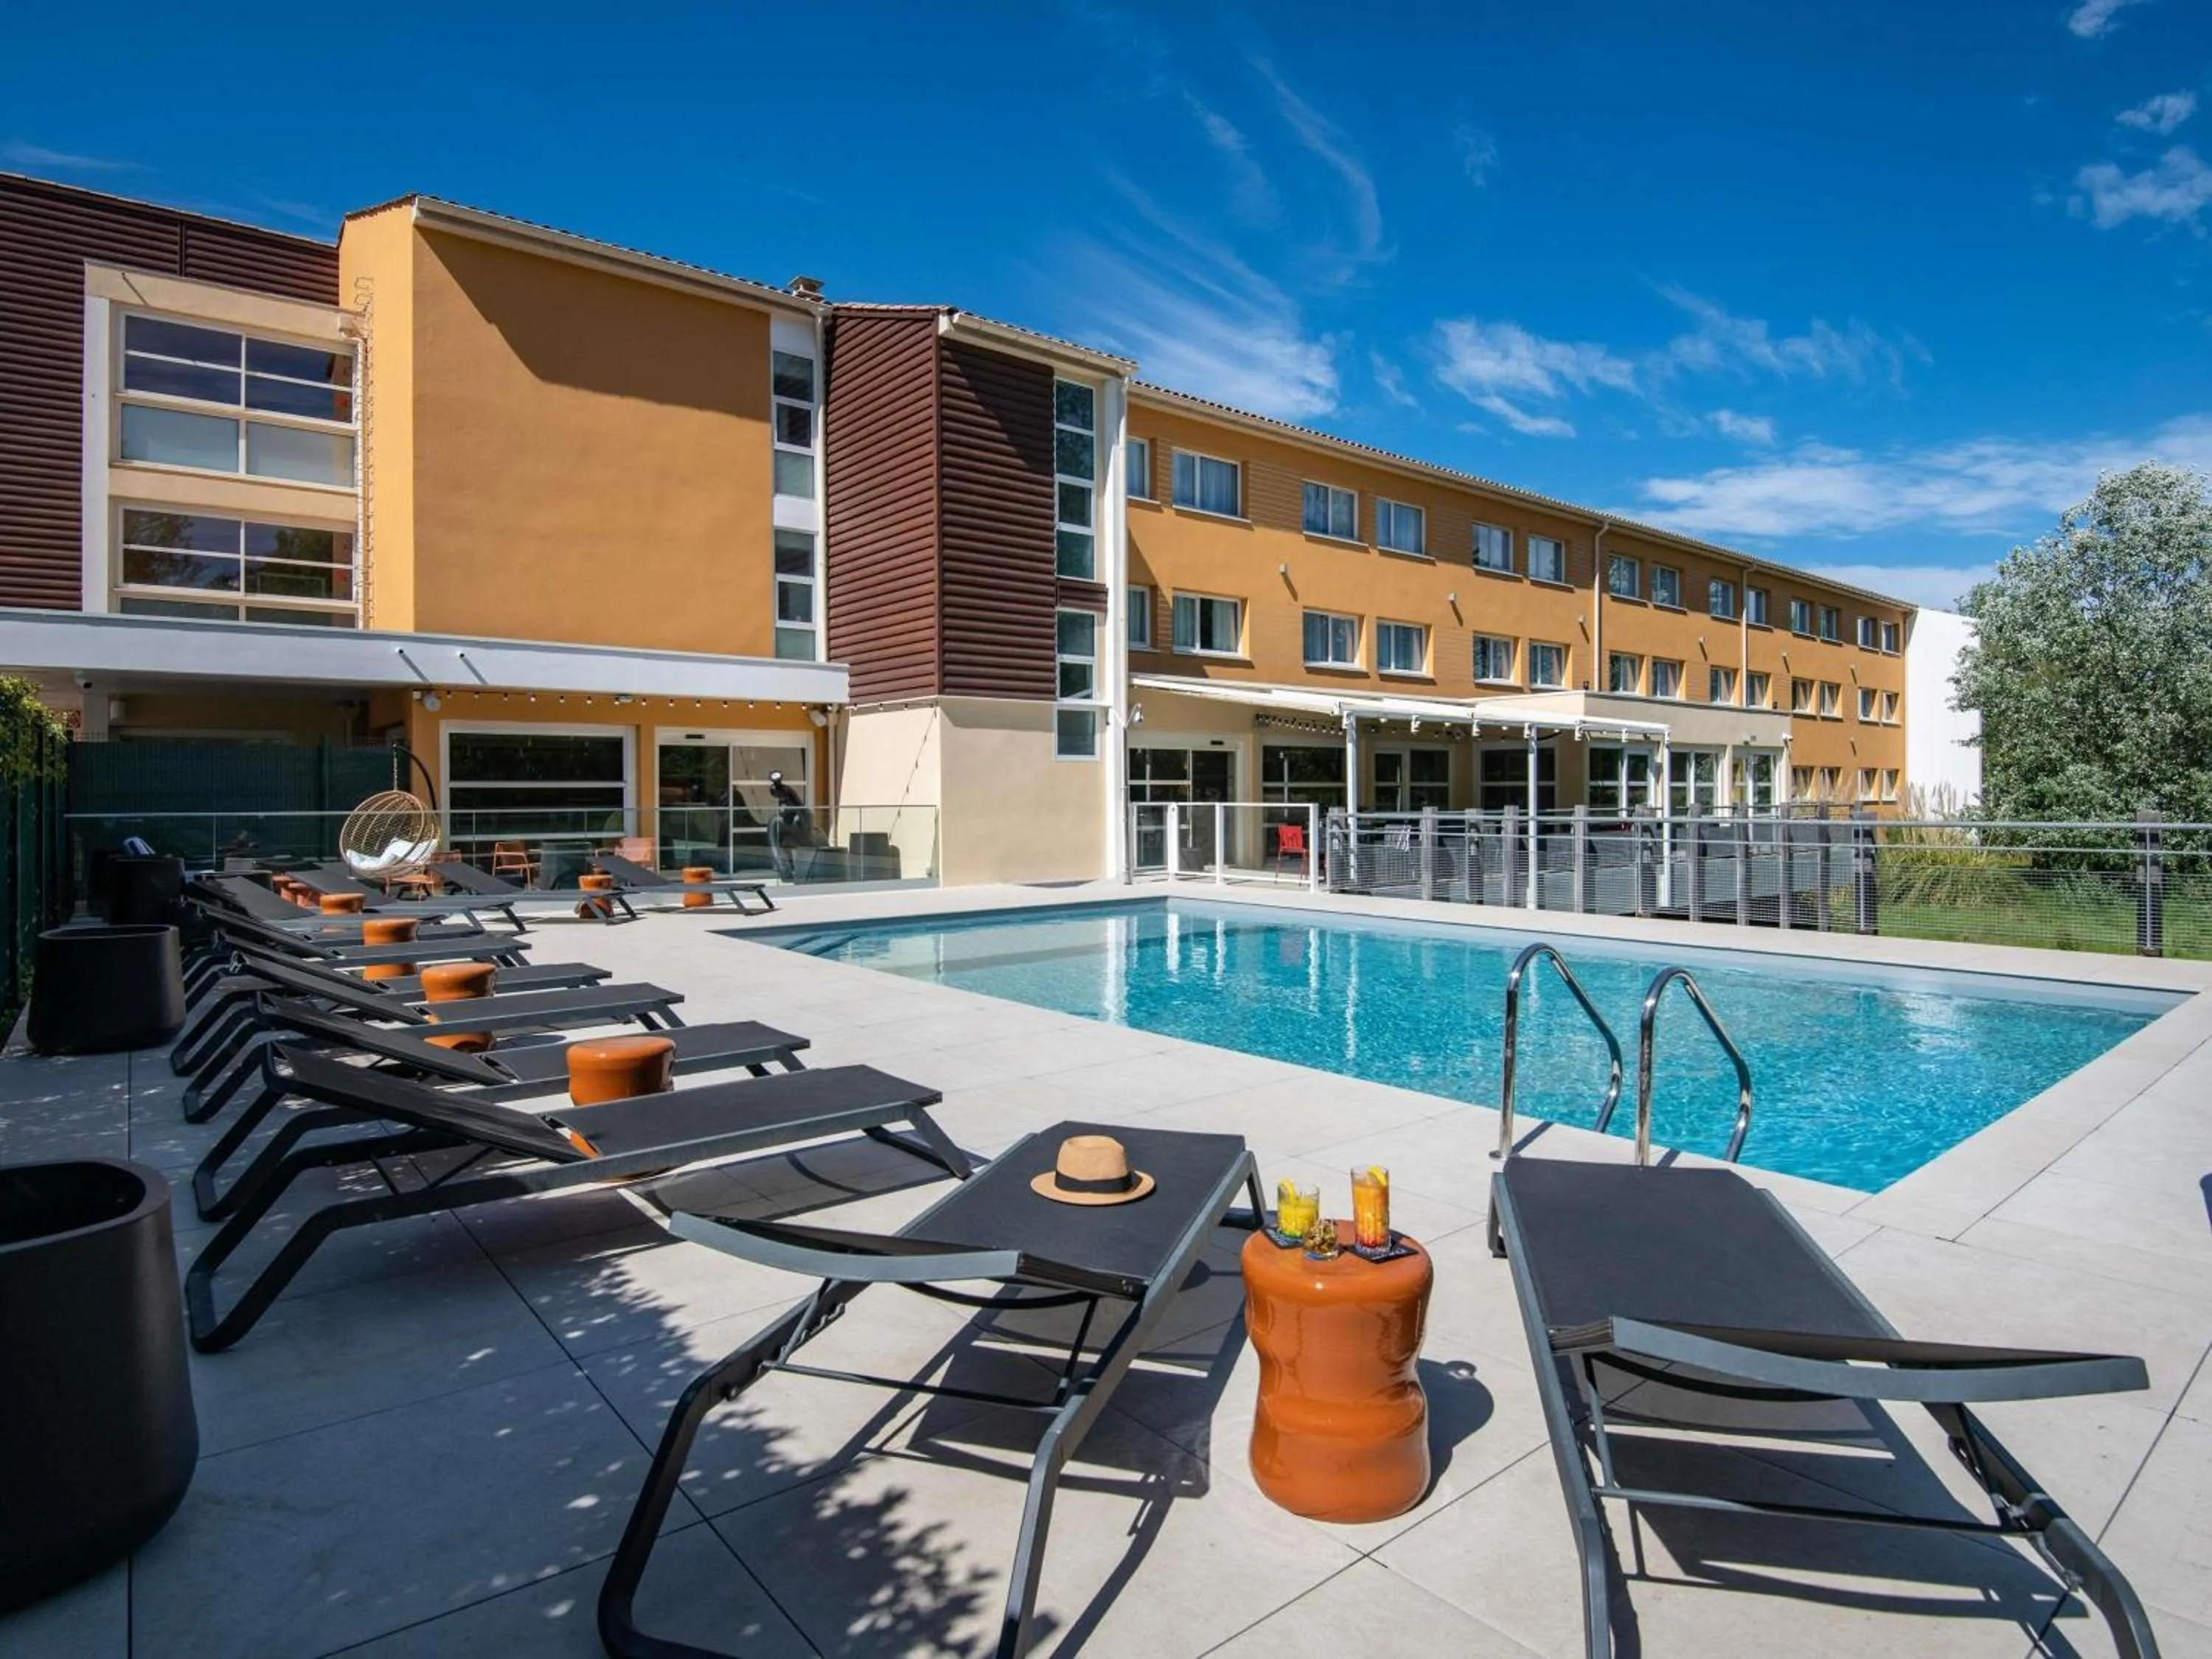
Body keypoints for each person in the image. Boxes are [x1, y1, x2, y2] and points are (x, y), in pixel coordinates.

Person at [765, 770, 805, 879]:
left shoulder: (788, 793)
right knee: (784, 845)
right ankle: (787, 868)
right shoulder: (780, 796)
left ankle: (790, 869)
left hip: (796, 819)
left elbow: (797, 807)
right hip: (790, 822)